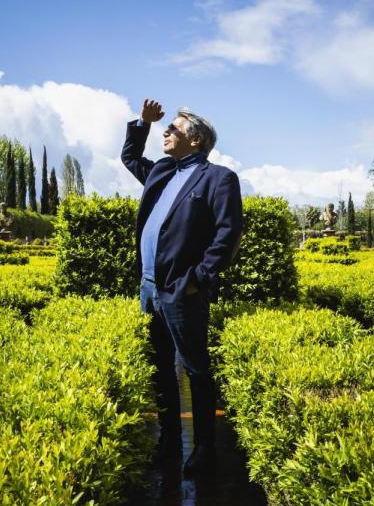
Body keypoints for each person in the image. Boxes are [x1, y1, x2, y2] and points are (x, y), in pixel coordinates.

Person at [121, 99, 243, 476]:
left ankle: (204, 448)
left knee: (195, 370)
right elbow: (129, 158)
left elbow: (228, 234)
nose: (166, 132)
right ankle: (170, 440)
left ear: (196, 138)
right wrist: (142, 123)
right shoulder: (160, 171)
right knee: (160, 368)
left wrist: (197, 281)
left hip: (181, 291)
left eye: (172, 128)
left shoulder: (217, 178)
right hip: (149, 290)